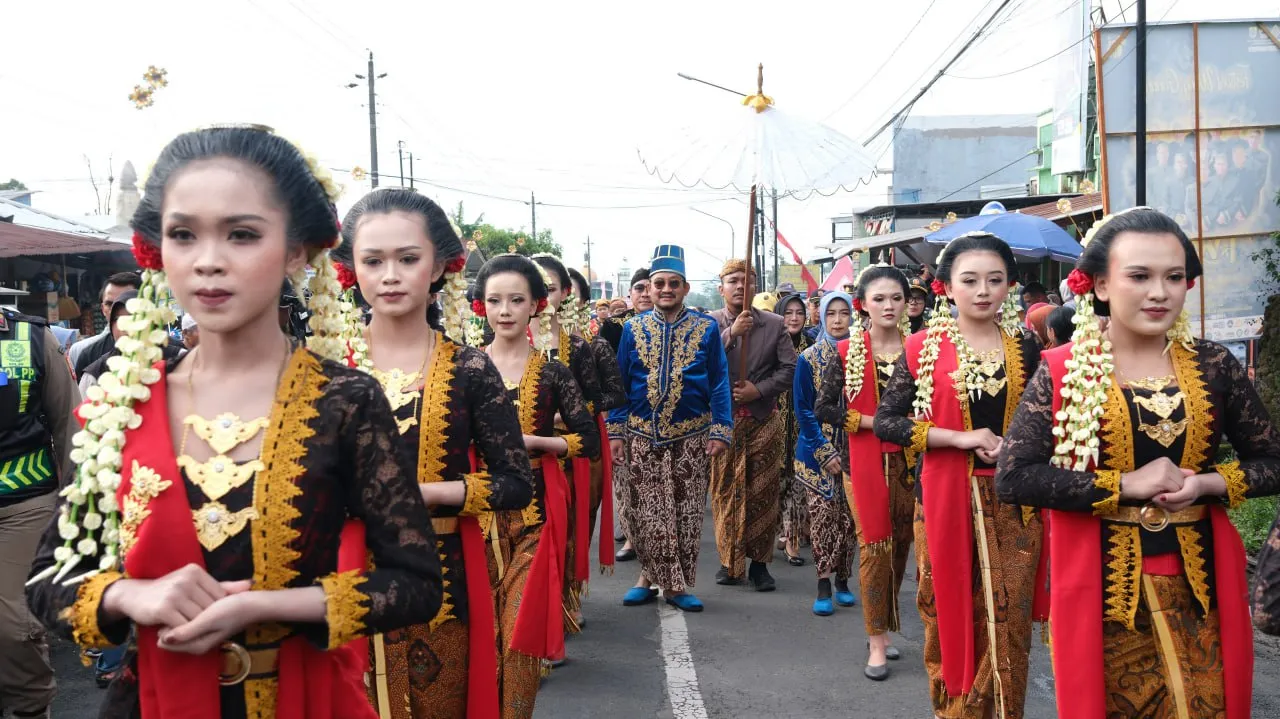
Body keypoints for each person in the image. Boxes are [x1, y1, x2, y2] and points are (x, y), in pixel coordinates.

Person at [26, 125, 444, 719]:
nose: (208, 262)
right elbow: (49, 579)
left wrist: (269, 606)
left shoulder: (346, 400)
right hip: (151, 701)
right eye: (182, 235)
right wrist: (131, 594)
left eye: (242, 234)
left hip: (302, 698)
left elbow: (416, 583)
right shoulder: (124, 397)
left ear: (298, 250)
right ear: (155, 250)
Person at [998, 207, 1280, 718]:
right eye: (1140, 276)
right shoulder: (1063, 370)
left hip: (1203, 589)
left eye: (1174, 277)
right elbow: (1015, 477)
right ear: (1101, 285)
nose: (1160, 292)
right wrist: (1123, 484)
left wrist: (1210, 483)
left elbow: (1272, 460)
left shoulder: (1214, 364)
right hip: (1105, 593)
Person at [333, 188, 534, 718]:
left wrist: (422, 494)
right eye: (373, 260)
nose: (390, 275)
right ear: (350, 269)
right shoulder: (320, 367)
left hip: (444, 587)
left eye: (408, 258)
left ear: (441, 266)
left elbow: (516, 482)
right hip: (341, 584)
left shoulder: (470, 368)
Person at [874, 232, 1044, 718]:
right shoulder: (921, 347)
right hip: (944, 499)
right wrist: (957, 437)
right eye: (970, 280)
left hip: (1013, 504)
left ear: (1010, 286)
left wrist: (1017, 444)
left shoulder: (1025, 349)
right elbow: (889, 422)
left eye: (995, 280)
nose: (983, 290)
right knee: (944, 612)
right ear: (947, 286)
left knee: (1007, 623)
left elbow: (1045, 422)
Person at [477, 253, 599, 715]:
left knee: (520, 629)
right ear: (481, 307)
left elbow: (586, 439)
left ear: (535, 306)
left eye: (515, 300)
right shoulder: (465, 368)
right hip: (477, 516)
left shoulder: (553, 372)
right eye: (494, 300)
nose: (504, 310)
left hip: (535, 514)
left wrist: (537, 441)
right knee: (481, 630)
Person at [609, 245, 731, 612]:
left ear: (685, 288)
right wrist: (616, 429)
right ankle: (649, 577)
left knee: (686, 513)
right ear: (648, 287)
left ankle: (675, 586)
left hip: (691, 435)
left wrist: (721, 427)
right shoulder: (632, 328)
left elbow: (720, 380)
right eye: (658, 283)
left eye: (672, 283)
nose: (665, 289)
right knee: (646, 512)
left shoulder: (706, 328)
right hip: (641, 434)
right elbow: (620, 381)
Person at [816, 266, 915, 681]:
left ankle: (886, 621)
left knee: (901, 546)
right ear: (864, 305)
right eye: (879, 299)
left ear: (907, 303)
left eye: (896, 298)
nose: (888, 306)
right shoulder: (846, 352)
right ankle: (876, 638)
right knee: (874, 546)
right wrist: (870, 424)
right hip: (864, 462)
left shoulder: (923, 349)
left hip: (913, 463)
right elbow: (824, 408)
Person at [0, 306, 79, 719]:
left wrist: (75, 503)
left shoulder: (30, 337)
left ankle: (31, 707)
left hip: (23, 501)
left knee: (12, 627)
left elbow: (70, 423)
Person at [709, 260, 798, 591]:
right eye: (733, 281)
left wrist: (757, 390)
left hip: (763, 419)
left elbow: (790, 369)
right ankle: (729, 562)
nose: (739, 287)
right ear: (721, 288)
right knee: (725, 491)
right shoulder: (709, 324)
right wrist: (731, 334)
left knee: (763, 491)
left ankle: (760, 564)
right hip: (722, 423)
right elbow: (699, 362)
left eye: (747, 281)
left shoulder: (775, 325)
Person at [530, 254, 602, 637]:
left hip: (565, 452)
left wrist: (563, 418)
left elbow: (595, 399)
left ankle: (561, 607)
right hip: (516, 459)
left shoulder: (577, 346)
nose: (541, 296)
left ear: (563, 294)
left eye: (550, 288)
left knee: (566, 533)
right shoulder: (494, 342)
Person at [791, 292, 857, 618]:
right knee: (822, 520)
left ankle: (844, 580)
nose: (838, 319)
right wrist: (823, 449)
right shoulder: (809, 358)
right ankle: (823, 583)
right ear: (821, 316)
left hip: (854, 453)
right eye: (831, 313)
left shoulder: (861, 357)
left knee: (849, 521)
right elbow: (803, 410)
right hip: (817, 453)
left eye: (844, 313)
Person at [567, 267, 626, 583]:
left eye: (566, 293)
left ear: (582, 301)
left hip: (582, 443)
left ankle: (571, 592)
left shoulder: (593, 345)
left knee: (580, 518)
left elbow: (616, 394)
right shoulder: (516, 345)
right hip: (531, 445)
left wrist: (577, 411)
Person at [774, 293, 812, 566]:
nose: (795, 318)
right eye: (788, 313)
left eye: (799, 312)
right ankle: (779, 529)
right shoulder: (770, 345)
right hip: (773, 426)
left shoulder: (812, 346)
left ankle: (793, 540)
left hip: (802, 427)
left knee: (799, 486)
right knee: (776, 485)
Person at [68, 271, 141, 378]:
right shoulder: (86, 354)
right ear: (102, 309)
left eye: (123, 303)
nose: (116, 309)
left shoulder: (169, 351)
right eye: (110, 304)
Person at [599, 268, 652, 353]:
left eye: (650, 289)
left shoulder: (670, 323)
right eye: (639, 288)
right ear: (630, 292)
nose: (645, 294)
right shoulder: (612, 325)